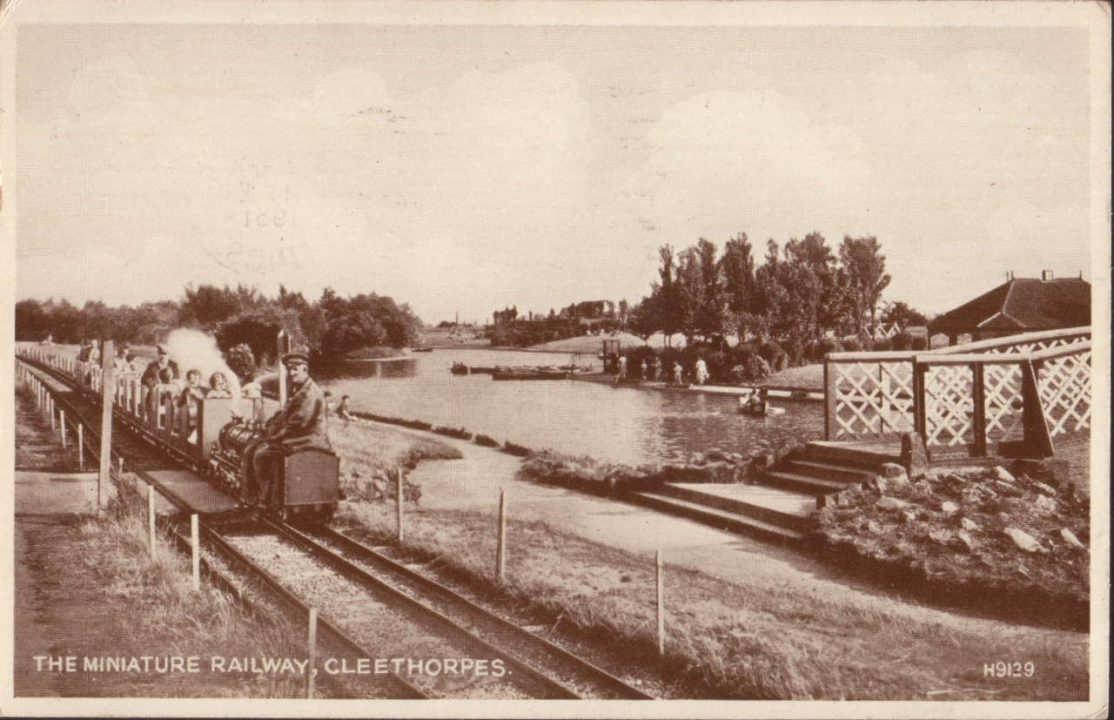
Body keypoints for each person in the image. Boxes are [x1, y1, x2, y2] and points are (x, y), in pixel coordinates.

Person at [242, 352, 332, 510]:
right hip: (300, 437)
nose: (292, 373)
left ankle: (265, 498)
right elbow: (284, 412)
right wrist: (268, 426)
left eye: (295, 369)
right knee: (255, 446)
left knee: (260, 454)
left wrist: (275, 437)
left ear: (305, 370)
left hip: (309, 440)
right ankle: (261, 495)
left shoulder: (311, 394)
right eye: (290, 370)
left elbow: (298, 424)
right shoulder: (301, 388)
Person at [141, 344, 180, 424]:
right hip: (155, 392)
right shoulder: (152, 366)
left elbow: (177, 379)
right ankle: (151, 420)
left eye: (165, 354)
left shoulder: (173, 365)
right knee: (152, 400)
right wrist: (154, 384)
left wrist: (171, 385)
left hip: (169, 392)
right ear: (158, 355)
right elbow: (144, 379)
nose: (162, 356)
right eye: (160, 354)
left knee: (173, 403)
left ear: (169, 355)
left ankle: (171, 424)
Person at [178, 369, 206, 439]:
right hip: (188, 415)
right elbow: (180, 403)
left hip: (200, 414)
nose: (192, 380)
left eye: (195, 378)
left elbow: (206, 401)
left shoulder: (203, 390)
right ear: (187, 380)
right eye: (190, 378)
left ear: (199, 379)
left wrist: (198, 395)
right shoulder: (185, 391)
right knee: (190, 430)